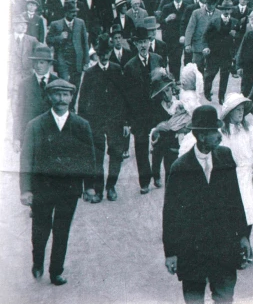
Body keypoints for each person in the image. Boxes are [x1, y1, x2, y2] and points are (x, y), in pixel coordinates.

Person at [163, 105, 250, 304]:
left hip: (223, 247)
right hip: (192, 250)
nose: (219, 136)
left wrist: (243, 235)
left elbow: (235, 200)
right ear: (201, 136)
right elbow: (171, 213)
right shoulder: (180, 168)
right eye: (214, 132)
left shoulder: (225, 156)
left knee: (225, 298)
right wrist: (171, 253)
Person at [20, 79, 97, 286]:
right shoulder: (35, 125)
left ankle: (56, 272)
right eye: (57, 94)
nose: (61, 99)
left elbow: (89, 158)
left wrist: (89, 186)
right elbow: (26, 158)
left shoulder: (81, 126)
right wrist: (26, 189)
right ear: (49, 97)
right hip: (42, 188)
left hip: (69, 189)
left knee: (62, 230)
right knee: (40, 229)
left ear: (72, 98)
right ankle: (38, 262)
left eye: (66, 95)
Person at [77, 34, 132, 202]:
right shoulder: (90, 73)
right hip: (96, 121)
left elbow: (125, 97)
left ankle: (111, 186)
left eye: (107, 52)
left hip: (115, 120)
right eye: (101, 53)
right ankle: (99, 189)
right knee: (98, 156)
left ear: (110, 53)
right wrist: (82, 123)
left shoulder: (117, 70)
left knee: (116, 153)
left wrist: (126, 122)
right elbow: (83, 99)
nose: (104, 56)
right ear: (97, 55)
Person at [124, 26, 166, 194]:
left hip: (157, 110)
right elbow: (126, 95)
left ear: (150, 41)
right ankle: (144, 181)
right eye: (140, 42)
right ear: (135, 44)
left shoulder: (158, 59)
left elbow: (165, 83)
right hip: (139, 113)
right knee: (141, 146)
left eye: (145, 41)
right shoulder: (129, 66)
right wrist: (128, 119)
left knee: (159, 144)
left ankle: (156, 174)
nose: (143, 45)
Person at [13, 44, 58, 154]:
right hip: (30, 137)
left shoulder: (57, 83)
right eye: (36, 62)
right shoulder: (24, 84)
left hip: (51, 137)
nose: (38, 65)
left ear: (49, 63)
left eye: (42, 62)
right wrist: (17, 138)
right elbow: (19, 112)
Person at [45, 1, 90, 92]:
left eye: (75, 11)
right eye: (72, 12)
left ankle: (72, 105)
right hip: (62, 60)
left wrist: (86, 61)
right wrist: (59, 38)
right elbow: (48, 40)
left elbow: (85, 42)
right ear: (66, 12)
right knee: (64, 84)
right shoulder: (56, 24)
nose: (75, 14)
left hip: (77, 60)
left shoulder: (80, 23)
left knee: (75, 84)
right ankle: (65, 104)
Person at [204, 0, 240, 104]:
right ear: (221, 10)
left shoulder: (235, 22)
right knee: (210, 74)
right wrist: (207, 47)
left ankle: (221, 97)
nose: (226, 11)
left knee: (224, 76)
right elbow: (206, 36)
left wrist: (235, 35)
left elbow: (239, 37)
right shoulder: (214, 21)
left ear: (231, 10)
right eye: (224, 9)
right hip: (214, 53)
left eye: (228, 9)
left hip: (227, 54)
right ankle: (207, 93)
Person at [184, 0, 221, 74]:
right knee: (197, 68)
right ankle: (198, 85)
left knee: (211, 69)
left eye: (213, 4)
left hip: (213, 45)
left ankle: (206, 85)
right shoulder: (196, 13)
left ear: (216, 4)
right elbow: (190, 28)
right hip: (198, 44)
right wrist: (187, 44)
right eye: (208, 3)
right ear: (205, 3)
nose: (210, 6)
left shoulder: (219, 13)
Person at [159, 0, 187, 81]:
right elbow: (160, 23)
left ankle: (177, 79)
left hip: (181, 37)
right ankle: (172, 79)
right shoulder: (167, 7)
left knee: (178, 58)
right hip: (170, 38)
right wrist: (167, 19)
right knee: (171, 59)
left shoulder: (186, 7)